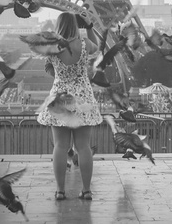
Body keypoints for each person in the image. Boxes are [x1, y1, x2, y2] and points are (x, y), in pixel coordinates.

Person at [36, 12, 102, 201]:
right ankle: (87, 190)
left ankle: (60, 191)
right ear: (74, 25)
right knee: (83, 147)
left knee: (60, 146)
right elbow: (96, 47)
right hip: (82, 97)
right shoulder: (84, 44)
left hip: (60, 97)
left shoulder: (52, 47)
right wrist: (89, 26)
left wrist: (58, 74)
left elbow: (49, 67)